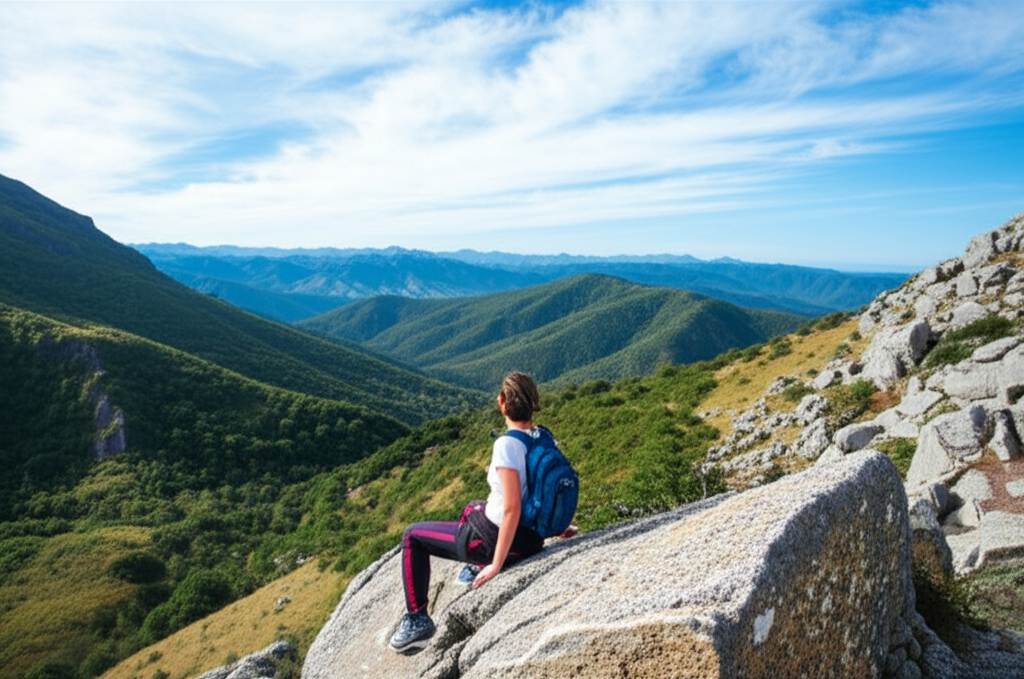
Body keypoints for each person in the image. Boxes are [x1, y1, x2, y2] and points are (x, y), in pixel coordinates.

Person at [389, 371, 548, 654]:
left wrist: (495, 565)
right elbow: (543, 491)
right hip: (531, 540)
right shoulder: (542, 437)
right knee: (476, 505)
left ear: (502, 402)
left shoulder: (506, 444)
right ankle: (475, 565)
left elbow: (512, 507)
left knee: (412, 535)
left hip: (494, 543)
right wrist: (560, 525)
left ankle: (417, 620)